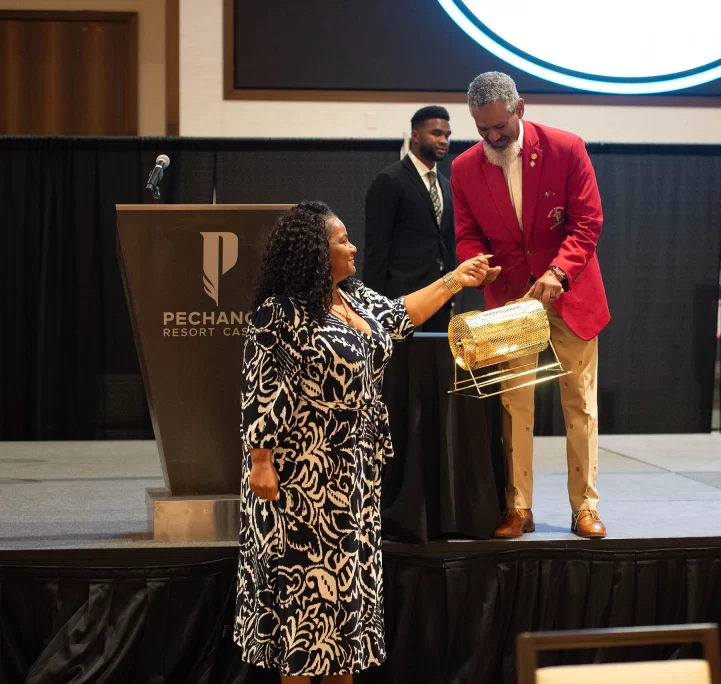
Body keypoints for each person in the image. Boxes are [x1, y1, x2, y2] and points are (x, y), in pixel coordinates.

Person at [236, 200, 490, 682]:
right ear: (316, 252)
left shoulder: (355, 297)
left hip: (352, 475)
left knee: (345, 613)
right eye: (342, 241)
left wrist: (457, 279)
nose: (353, 248)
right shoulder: (281, 312)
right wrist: (260, 460)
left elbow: (401, 314)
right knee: (303, 616)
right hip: (300, 481)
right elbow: (260, 388)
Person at [451, 71, 611, 539]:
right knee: (513, 403)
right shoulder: (463, 168)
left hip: (570, 292)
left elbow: (587, 223)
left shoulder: (567, 148)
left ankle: (585, 507)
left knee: (579, 403)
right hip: (509, 299)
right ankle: (517, 507)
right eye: (482, 129)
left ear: (520, 108)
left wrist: (558, 272)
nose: (492, 137)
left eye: (500, 126)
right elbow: (466, 235)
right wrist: (476, 264)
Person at [363, 105, 456, 331]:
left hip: (440, 300)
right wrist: (372, 308)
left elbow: (444, 243)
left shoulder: (445, 185)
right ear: (415, 135)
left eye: (447, 135)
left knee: (438, 355)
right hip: (400, 302)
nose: (443, 140)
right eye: (436, 133)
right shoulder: (390, 180)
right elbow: (376, 249)